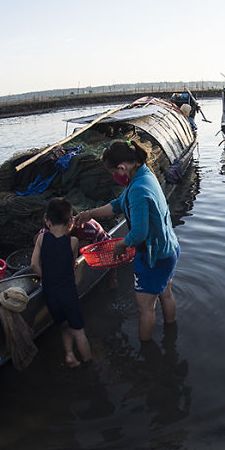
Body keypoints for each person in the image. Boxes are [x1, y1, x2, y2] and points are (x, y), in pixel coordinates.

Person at [74, 140, 179, 344]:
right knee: (166, 293)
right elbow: (118, 204)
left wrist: (119, 246)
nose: (114, 177)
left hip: (154, 256)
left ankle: (147, 351)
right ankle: (171, 333)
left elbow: (139, 233)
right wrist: (89, 214)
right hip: (168, 248)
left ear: (122, 167)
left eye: (113, 172)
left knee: (145, 308)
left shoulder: (139, 189)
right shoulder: (143, 174)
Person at [30, 197, 92, 368]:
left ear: (47, 221)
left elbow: (34, 264)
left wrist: (47, 278)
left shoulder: (41, 239)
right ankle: (89, 366)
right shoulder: (73, 242)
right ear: (70, 223)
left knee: (64, 326)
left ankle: (70, 355)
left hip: (51, 294)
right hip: (68, 294)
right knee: (79, 332)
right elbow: (72, 264)